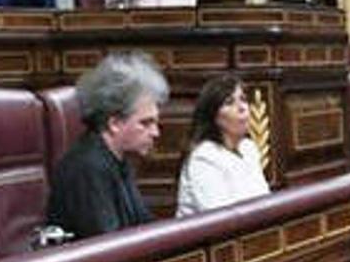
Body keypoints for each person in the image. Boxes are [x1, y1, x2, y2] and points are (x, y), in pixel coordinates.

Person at [45, 52, 165, 238]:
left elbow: (143, 226)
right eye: (145, 123)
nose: (156, 133)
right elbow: (107, 248)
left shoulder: (117, 159)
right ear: (114, 124)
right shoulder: (87, 168)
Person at [174, 75, 270, 217]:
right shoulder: (203, 157)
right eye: (229, 103)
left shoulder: (248, 148)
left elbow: (265, 201)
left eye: (243, 99)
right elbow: (220, 218)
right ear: (213, 115)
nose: (242, 108)